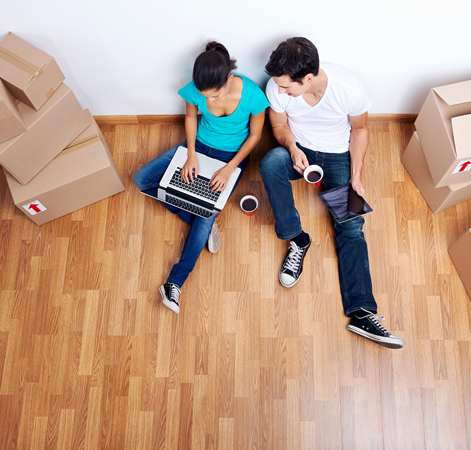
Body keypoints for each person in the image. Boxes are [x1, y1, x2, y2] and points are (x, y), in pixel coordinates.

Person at [259, 37, 404, 349]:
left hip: (338, 156)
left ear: (308, 78)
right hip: (300, 151)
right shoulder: (277, 86)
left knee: (351, 227)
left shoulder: (348, 89)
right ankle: (297, 238)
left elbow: (361, 130)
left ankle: (362, 313)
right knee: (271, 162)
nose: (280, 92)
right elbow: (280, 125)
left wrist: (355, 177)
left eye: (287, 88)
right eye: (279, 87)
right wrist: (292, 147)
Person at [135, 42, 269, 314]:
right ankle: (202, 220)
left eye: (216, 94)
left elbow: (255, 135)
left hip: (230, 158)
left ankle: (175, 282)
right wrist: (191, 155)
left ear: (229, 79)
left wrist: (230, 167)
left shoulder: (253, 95)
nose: (213, 100)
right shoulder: (194, 90)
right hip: (197, 147)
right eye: (206, 95)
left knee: (206, 214)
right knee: (142, 180)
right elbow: (190, 118)